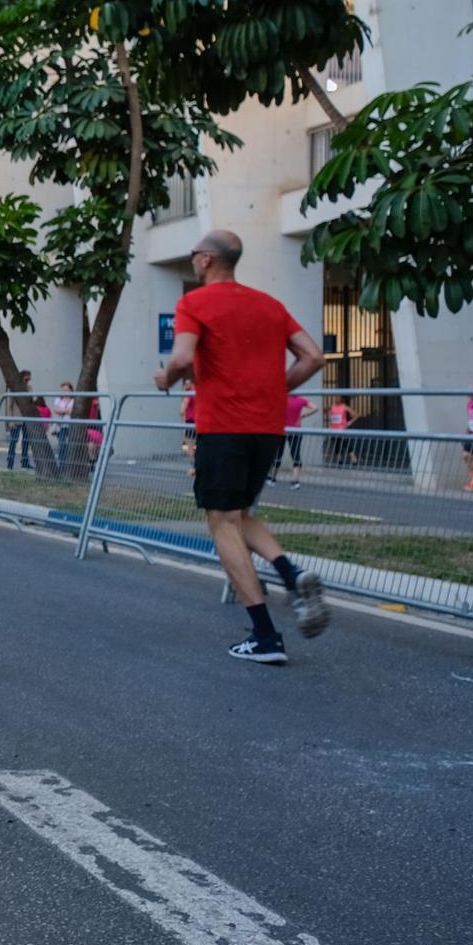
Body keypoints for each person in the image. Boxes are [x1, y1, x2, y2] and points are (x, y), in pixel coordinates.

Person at [155, 230, 330, 664]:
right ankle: (292, 573)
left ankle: (266, 637)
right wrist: (274, 391)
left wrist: (166, 378)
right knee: (239, 513)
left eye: (194, 253)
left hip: (223, 427)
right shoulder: (270, 305)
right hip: (267, 429)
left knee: (222, 523)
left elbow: (180, 357)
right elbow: (313, 356)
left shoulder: (194, 304)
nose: (193, 259)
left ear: (207, 260)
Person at [273, 392, 316, 489]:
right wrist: (303, 415)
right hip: (296, 430)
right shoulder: (301, 400)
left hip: (282, 430)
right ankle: (295, 481)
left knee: (278, 454)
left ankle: (273, 478)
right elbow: (315, 408)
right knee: (295, 454)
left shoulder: (282, 398)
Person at [6, 369, 34, 469]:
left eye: (29, 379)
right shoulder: (14, 389)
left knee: (26, 441)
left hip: (26, 418)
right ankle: (10, 461)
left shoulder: (29, 388)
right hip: (16, 418)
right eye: (26, 379)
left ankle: (25, 461)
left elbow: (31, 400)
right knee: (13, 440)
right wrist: (11, 420)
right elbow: (10, 406)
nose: (28, 381)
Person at [324, 394, 351, 467]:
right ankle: (340, 462)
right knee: (337, 445)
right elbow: (325, 411)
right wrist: (329, 419)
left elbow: (356, 414)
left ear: (341, 399)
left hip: (342, 429)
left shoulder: (344, 406)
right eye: (336, 397)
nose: (336, 399)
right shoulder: (332, 406)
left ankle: (353, 460)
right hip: (334, 430)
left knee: (345, 444)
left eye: (338, 398)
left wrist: (349, 422)